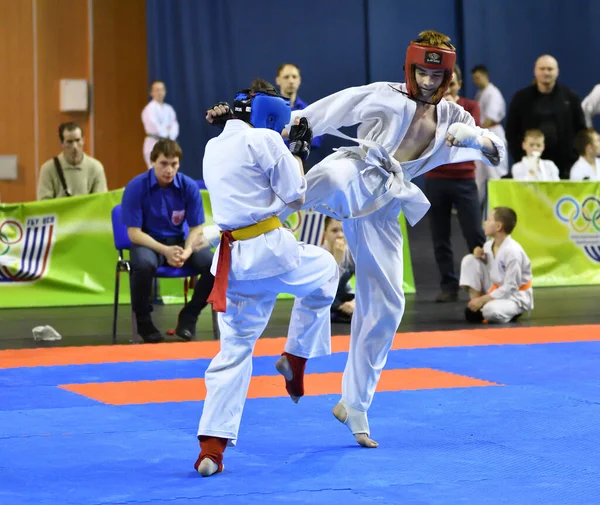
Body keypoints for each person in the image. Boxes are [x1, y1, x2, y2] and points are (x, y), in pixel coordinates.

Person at [207, 30, 505, 449]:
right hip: (354, 170)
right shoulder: (383, 95)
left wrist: (478, 139)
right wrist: (240, 117)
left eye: (437, 76)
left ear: (449, 76)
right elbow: (319, 115)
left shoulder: (456, 118)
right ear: (411, 66)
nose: (428, 82)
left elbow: (498, 152)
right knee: (303, 189)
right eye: (422, 72)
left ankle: (355, 402)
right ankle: (230, 235)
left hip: (386, 205)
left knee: (388, 304)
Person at [194, 79, 338, 477]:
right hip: (270, 253)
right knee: (327, 270)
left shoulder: (213, 145)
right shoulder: (266, 141)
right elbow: (296, 196)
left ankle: (212, 449)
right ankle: (295, 356)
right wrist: (299, 154)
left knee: (234, 352)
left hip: (232, 264)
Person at [120, 139, 214, 343]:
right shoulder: (136, 187)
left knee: (213, 265)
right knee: (144, 265)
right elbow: (133, 234)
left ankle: (189, 317)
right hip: (149, 242)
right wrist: (165, 251)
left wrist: (187, 251)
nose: (169, 170)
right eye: (163, 164)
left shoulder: (188, 186)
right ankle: (145, 324)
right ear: (152, 161)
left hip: (179, 242)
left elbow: (196, 227)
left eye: (174, 164)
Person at [425, 65, 486, 303]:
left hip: (464, 178)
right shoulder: (429, 107)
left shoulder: (471, 107)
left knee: (475, 234)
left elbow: (471, 137)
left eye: (452, 84)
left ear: (459, 84)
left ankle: (483, 283)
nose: (448, 88)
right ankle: (448, 285)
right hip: (436, 178)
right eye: (444, 84)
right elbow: (429, 139)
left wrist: (453, 108)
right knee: (440, 236)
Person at [505, 55, 586, 179]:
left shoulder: (570, 98)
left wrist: (574, 157)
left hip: (565, 165)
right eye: (542, 69)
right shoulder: (521, 98)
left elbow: (581, 130)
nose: (546, 72)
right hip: (531, 166)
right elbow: (511, 131)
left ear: (557, 71)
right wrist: (521, 157)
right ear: (535, 71)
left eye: (550, 69)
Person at [459, 207, 533, 324]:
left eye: (488, 220)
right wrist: (479, 255)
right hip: (497, 288)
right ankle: (476, 306)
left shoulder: (512, 251)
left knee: (490, 311)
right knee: (470, 260)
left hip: (515, 296)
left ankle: (511, 311)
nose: (485, 223)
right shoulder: (489, 245)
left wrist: (483, 300)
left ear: (498, 226)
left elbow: (511, 287)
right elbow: (494, 265)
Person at [37, 122, 107, 200]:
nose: (74, 146)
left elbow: (100, 201)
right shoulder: (48, 169)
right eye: (69, 142)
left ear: (83, 140)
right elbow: (44, 203)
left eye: (77, 140)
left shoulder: (96, 167)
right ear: (61, 143)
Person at [472, 64, 509, 178]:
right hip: (483, 133)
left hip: (493, 132)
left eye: (478, 78)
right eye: (474, 79)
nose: (475, 81)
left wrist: (478, 132)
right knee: (480, 174)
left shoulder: (493, 93)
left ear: (485, 76)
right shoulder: (480, 93)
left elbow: (490, 117)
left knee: (495, 172)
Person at [322, 217, 355, 322]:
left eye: (343, 230)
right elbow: (325, 290)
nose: (340, 235)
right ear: (325, 233)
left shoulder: (352, 253)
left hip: (344, 295)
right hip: (326, 296)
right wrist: (337, 260)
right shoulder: (319, 255)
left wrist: (355, 303)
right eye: (334, 231)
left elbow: (364, 283)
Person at [141, 80, 179, 169]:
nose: (160, 92)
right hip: (153, 143)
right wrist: (166, 130)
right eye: (157, 90)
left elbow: (174, 125)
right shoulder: (149, 109)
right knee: (155, 171)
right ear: (151, 92)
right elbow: (154, 128)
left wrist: (170, 133)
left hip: (168, 145)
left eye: (162, 89)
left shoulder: (169, 109)